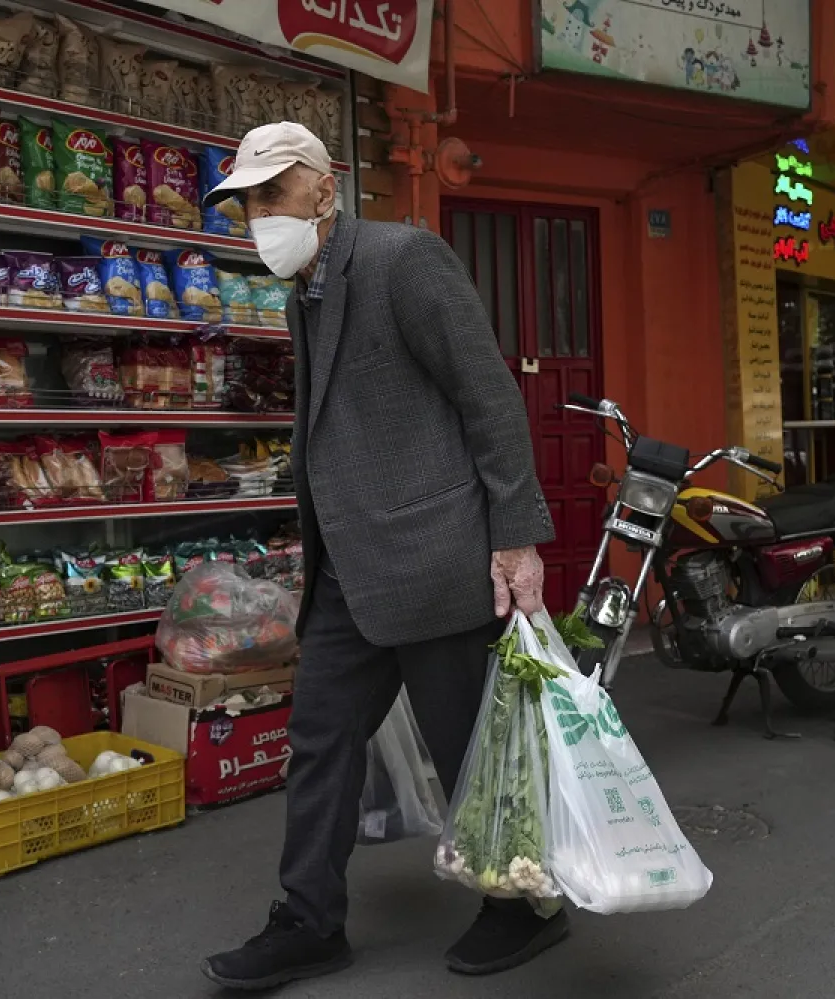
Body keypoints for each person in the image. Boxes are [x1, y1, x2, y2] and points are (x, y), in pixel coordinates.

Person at [198, 121, 567, 991]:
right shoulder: (306, 292)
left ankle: (521, 904)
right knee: (319, 740)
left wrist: (516, 538)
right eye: (247, 203)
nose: (258, 217)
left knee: (470, 750)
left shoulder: (405, 261)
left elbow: (489, 398)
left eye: (272, 195)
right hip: (348, 573)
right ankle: (308, 919)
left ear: (325, 191)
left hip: (436, 559)